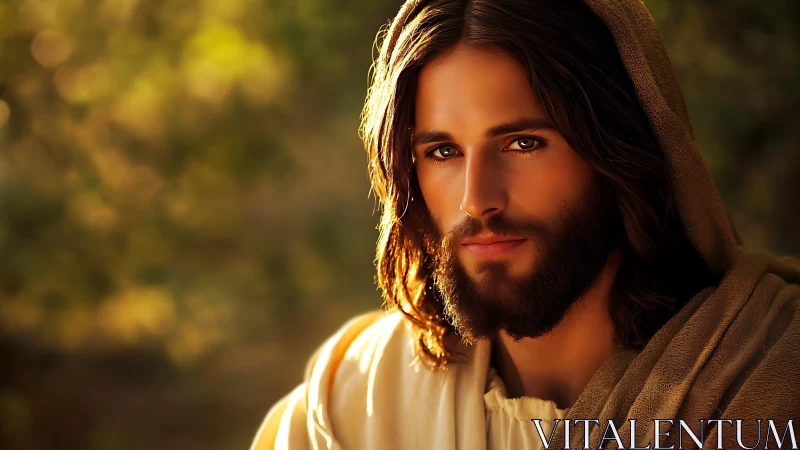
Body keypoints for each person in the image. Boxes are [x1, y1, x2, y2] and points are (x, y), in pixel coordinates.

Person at [250, 0, 800, 448]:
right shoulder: (361, 402)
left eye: (523, 143)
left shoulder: (769, 377)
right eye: (443, 152)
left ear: (617, 154)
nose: (476, 201)